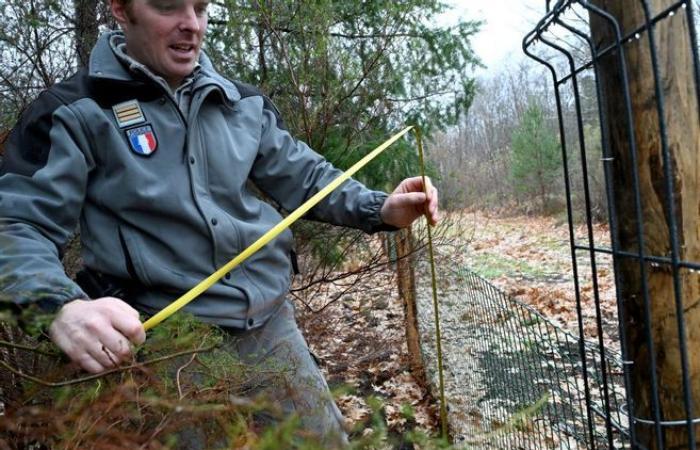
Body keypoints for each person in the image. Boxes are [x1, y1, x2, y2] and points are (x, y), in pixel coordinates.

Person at [0, 0, 438, 445]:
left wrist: (379, 208)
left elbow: (307, 176)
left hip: (272, 329)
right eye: (169, 6)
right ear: (119, 8)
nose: (191, 24)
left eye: (201, 7)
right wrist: (61, 308)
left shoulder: (239, 102)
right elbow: (16, 225)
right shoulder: (73, 110)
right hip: (170, 349)